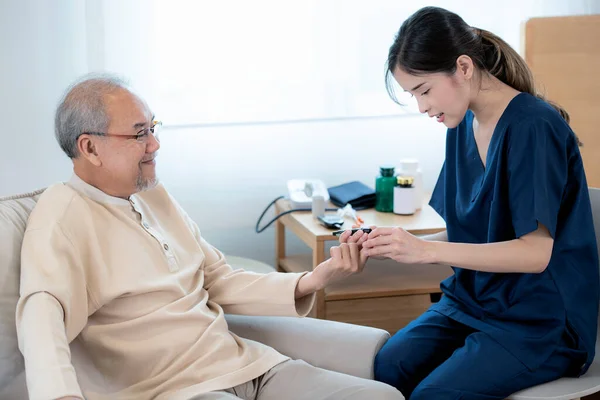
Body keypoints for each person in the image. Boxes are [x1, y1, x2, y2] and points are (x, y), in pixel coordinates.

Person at [16, 74, 403, 400]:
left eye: (153, 128)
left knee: (383, 396)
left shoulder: (151, 194)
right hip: (172, 390)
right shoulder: (60, 218)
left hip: (244, 364)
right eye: (139, 134)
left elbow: (217, 277)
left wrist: (316, 278)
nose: (155, 144)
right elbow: (41, 319)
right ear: (89, 148)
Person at [339, 6, 599, 400]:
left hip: (539, 319)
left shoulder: (534, 127)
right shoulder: (461, 125)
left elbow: (535, 254)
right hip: (474, 301)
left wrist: (425, 250)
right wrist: (395, 243)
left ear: (463, 67)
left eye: (424, 91)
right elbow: (470, 233)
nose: (422, 107)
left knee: (434, 394)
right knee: (389, 367)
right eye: (414, 96)